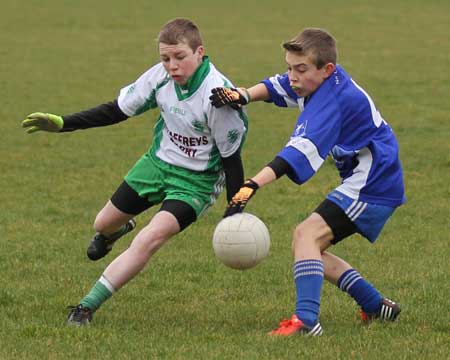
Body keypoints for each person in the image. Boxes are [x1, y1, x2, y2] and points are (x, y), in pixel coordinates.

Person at [22, 18, 248, 326]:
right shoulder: (160, 78)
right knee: (102, 223)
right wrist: (64, 123)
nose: (172, 66)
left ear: (199, 53)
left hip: (195, 183)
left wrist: (234, 212)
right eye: (165, 58)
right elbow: (116, 110)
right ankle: (117, 230)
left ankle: (86, 307)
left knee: (149, 238)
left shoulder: (219, 97)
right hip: (156, 165)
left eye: (180, 57)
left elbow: (232, 160)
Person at [209, 28, 405, 336]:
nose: (292, 76)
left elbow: (294, 154)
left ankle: (306, 321)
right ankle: (375, 304)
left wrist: (252, 185)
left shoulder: (331, 100)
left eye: (300, 69)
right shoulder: (319, 79)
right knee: (310, 247)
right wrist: (243, 94)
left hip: (373, 181)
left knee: (306, 236)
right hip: (372, 176)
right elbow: (278, 85)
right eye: (290, 66)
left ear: (326, 70)